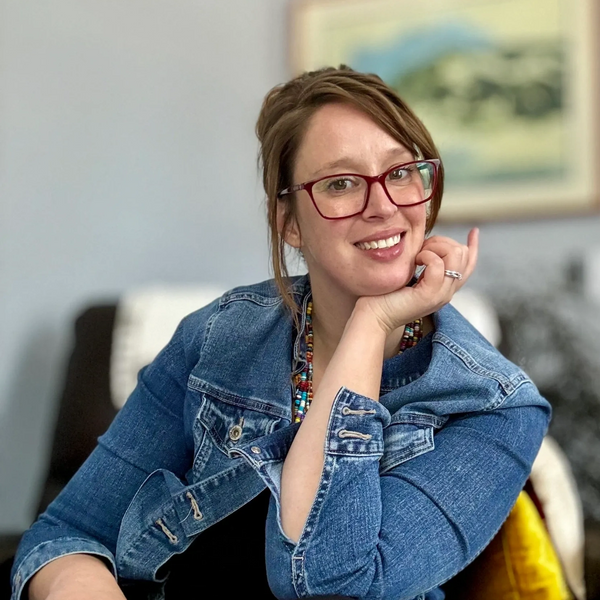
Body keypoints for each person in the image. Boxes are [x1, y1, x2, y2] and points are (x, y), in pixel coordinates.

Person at [10, 65, 551, 600]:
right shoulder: (219, 337)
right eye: (341, 183)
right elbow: (66, 534)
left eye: (401, 173)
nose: (383, 205)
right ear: (289, 222)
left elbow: (331, 583)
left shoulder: (494, 406)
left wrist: (371, 324)